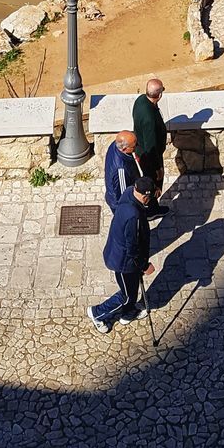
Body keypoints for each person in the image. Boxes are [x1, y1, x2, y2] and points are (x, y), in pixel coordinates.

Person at [87, 177, 155, 333]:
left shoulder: (129, 192)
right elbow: (132, 247)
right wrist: (144, 266)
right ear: (145, 196)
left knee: (132, 289)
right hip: (124, 262)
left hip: (120, 255)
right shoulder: (134, 216)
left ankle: (127, 314)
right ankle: (97, 313)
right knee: (126, 295)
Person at [132, 78, 170, 216]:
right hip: (149, 158)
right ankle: (152, 210)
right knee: (153, 183)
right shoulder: (149, 119)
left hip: (141, 150)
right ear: (159, 95)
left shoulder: (140, 100)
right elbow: (151, 146)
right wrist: (158, 168)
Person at [103, 130, 140, 213]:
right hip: (120, 205)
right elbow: (124, 195)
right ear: (124, 149)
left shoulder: (115, 145)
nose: (136, 147)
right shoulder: (121, 169)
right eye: (134, 146)